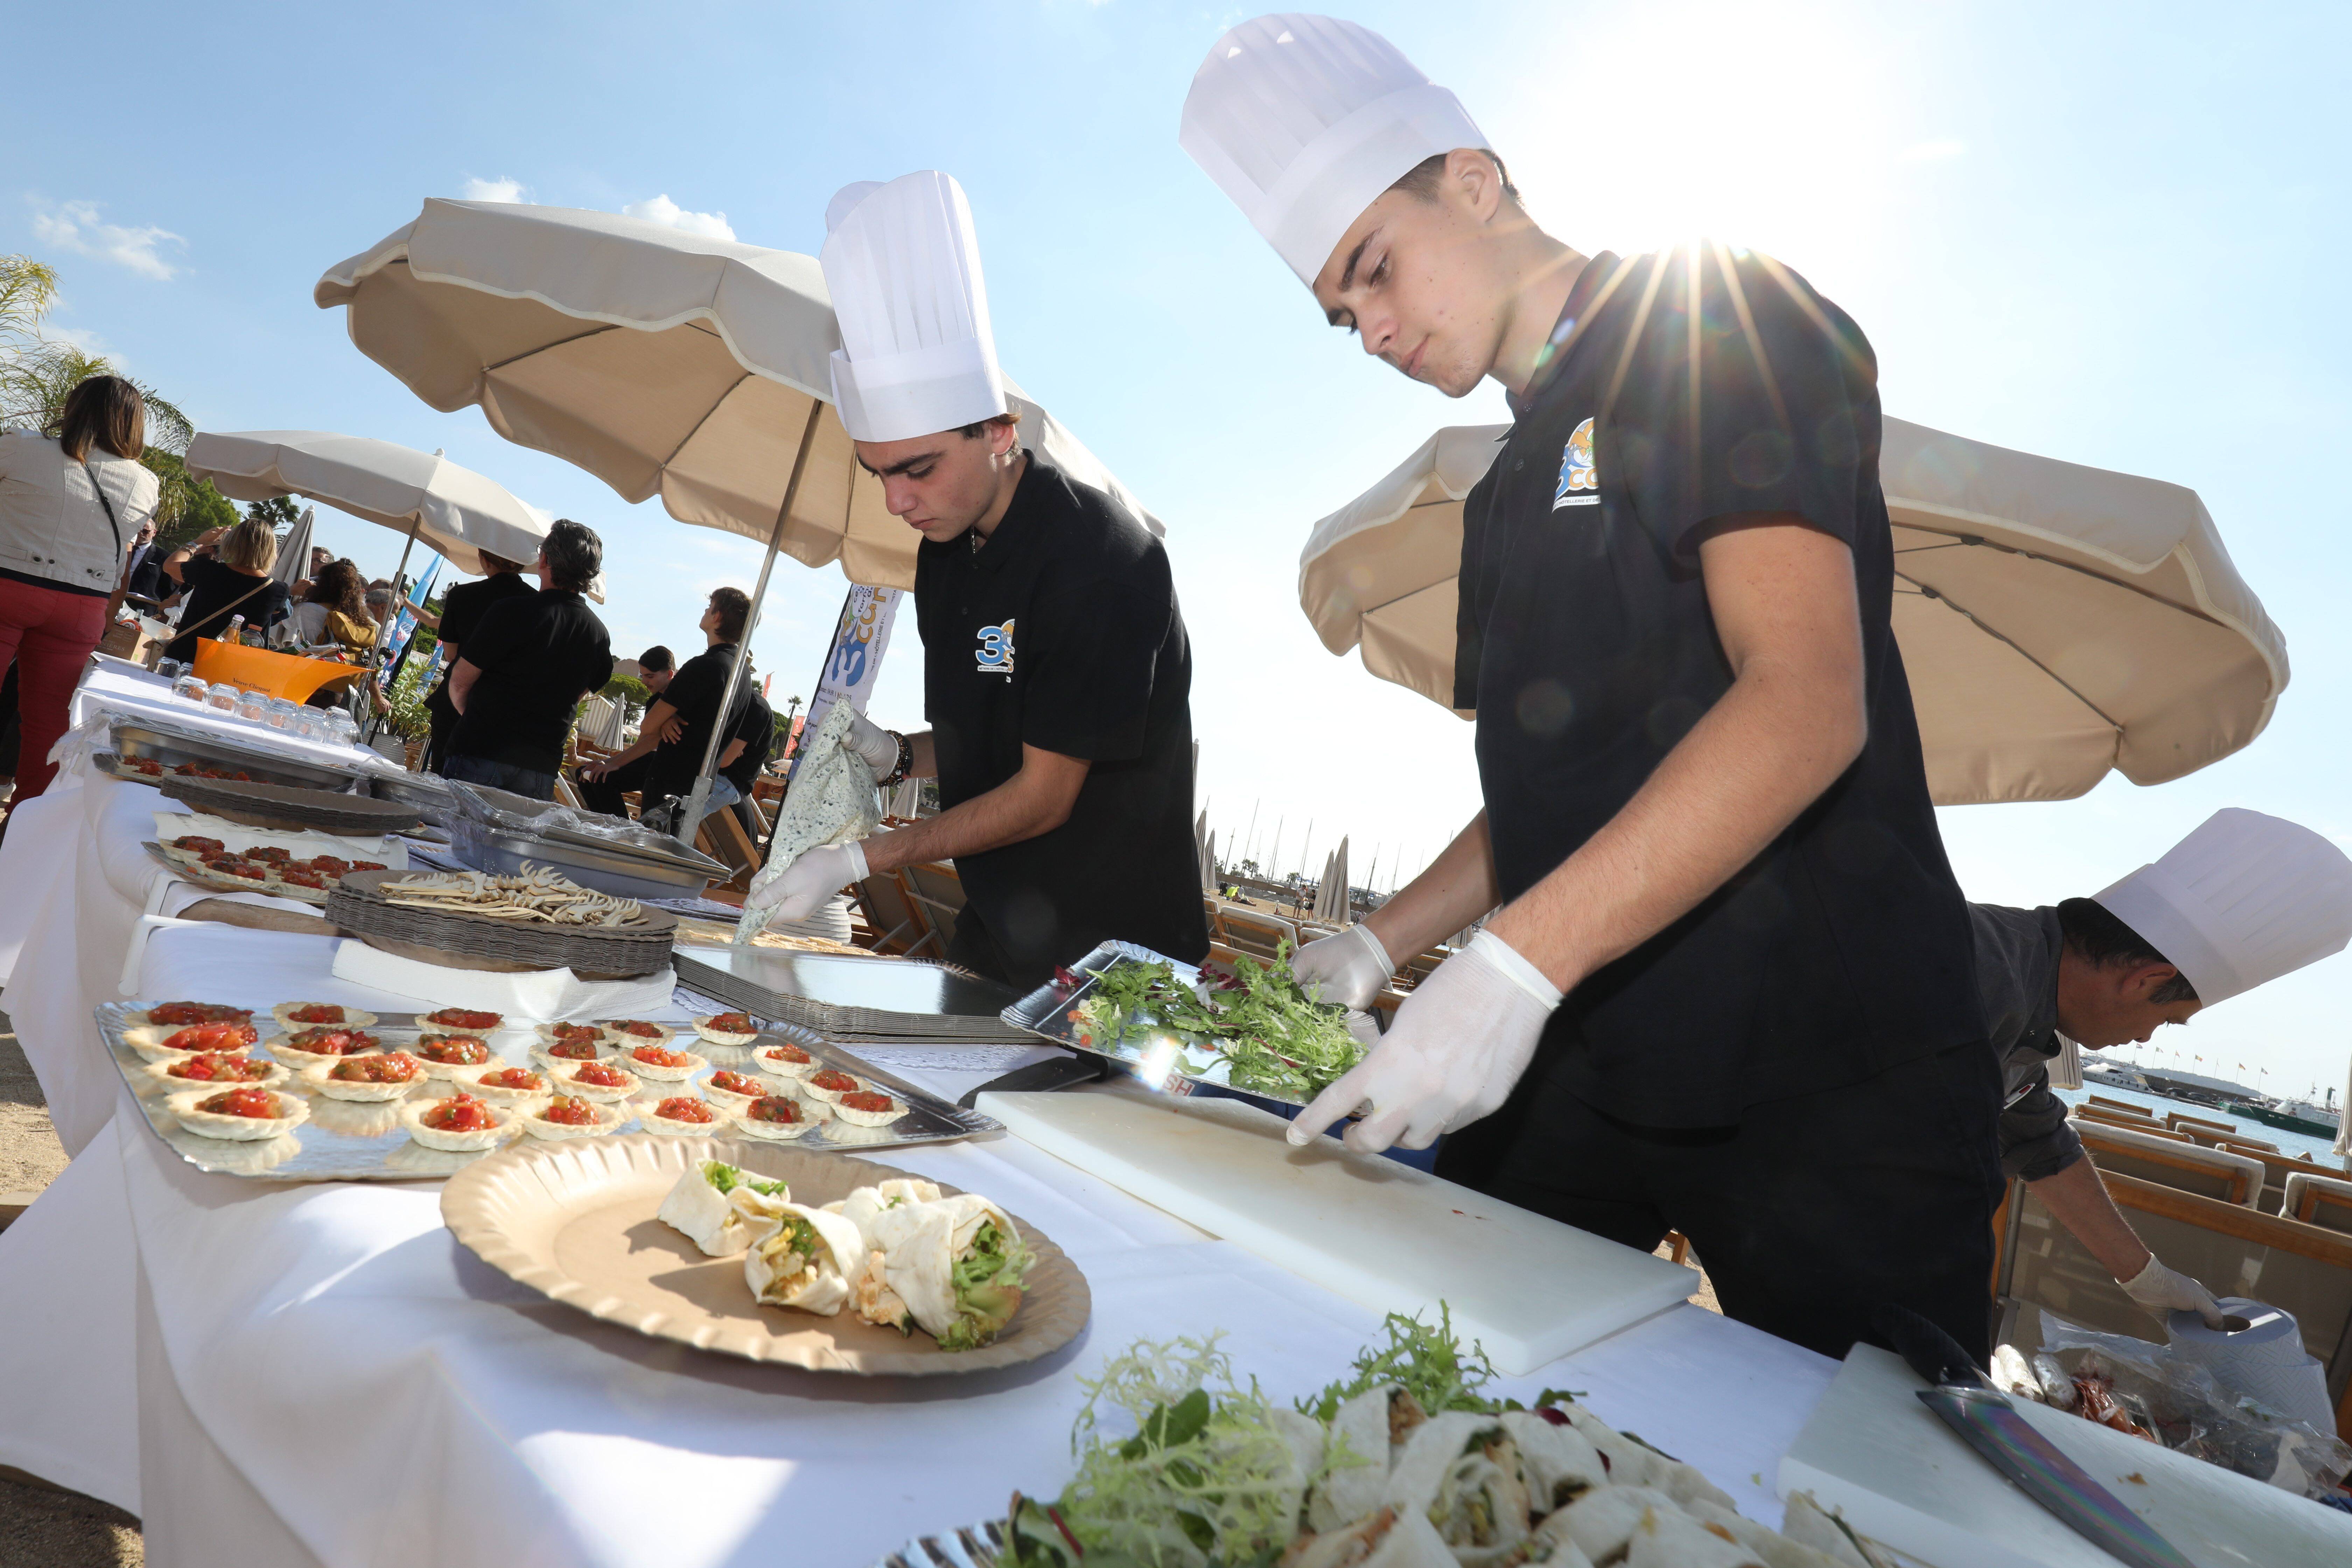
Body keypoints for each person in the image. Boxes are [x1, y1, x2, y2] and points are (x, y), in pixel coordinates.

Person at [1181, 16, 1995, 1360]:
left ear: (1472, 180)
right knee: (1432, 1379)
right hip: (1596, 1048)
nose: (1372, 328)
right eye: (1342, 314)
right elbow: (1546, 800)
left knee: (1874, 1501)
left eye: (1374, 269)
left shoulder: (1722, 321)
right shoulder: (1498, 491)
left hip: (1828, 1069)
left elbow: (1803, 701)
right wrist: (1385, 941)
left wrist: (1509, 962)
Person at [746, 172, 1208, 989]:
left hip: (1112, 962)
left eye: (918, 469)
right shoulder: (947, 554)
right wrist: (897, 759)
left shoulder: (1100, 559)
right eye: (879, 472)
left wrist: (860, 858)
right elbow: (988, 742)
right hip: (999, 929)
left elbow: (1041, 795)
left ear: (1000, 431)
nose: (896, 500)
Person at [1976, 809, 2352, 1329]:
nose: (2146, 1038)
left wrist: (2145, 1277)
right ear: (2146, 980)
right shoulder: (1982, 971)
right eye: (2169, 1019)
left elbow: (2039, 1142)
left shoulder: (2028, 996)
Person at [0, 375, 160, 802]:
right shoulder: (145, 483)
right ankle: (23, 832)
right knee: (47, 726)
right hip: (80, 605)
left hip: (9, 583)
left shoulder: (21, 446)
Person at [443, 520, 612, 800]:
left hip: (482, 750)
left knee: (456, 840)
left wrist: (477, 718)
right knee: (514, 844)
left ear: (544, 559)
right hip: (540, 765)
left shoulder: (512, 611)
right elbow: (581, 692)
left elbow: (459, 682)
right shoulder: (598, 633)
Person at [577, 592, 755, 822]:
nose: (705, 611)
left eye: (709, 607)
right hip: (701, 784)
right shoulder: (743, 676)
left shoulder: (705, 666)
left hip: (670, 782)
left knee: (651, 851)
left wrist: (662, 721)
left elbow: (648, 726)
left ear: (717, 617)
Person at [421, 547, 535, 773]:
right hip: (506, 706)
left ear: (484, 560)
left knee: (441, 780)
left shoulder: (462, 595)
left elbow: (451, 654)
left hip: (454, 698)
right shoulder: (536, 602)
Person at [162, 517, 287, 666]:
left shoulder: (209, 570)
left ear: (233, 543)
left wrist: (197, 543)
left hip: (185, 658)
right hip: (231, 669)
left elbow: (170, 566)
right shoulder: (277, 590)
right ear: (271, 550)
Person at [290, 559, 378, 653]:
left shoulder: (307, 609)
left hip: (314, 663)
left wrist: (291, 591)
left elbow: (281, 619)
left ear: (323, 584)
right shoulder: (361, 619)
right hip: (347, 664)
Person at [122, 518, 169, 608]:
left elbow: (167, 589)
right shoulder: (121, 547)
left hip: (142, 606)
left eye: (145, 531)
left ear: (154, 532)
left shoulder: (163, 557)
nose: (141, 534)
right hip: (114, 597)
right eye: (138, 530)